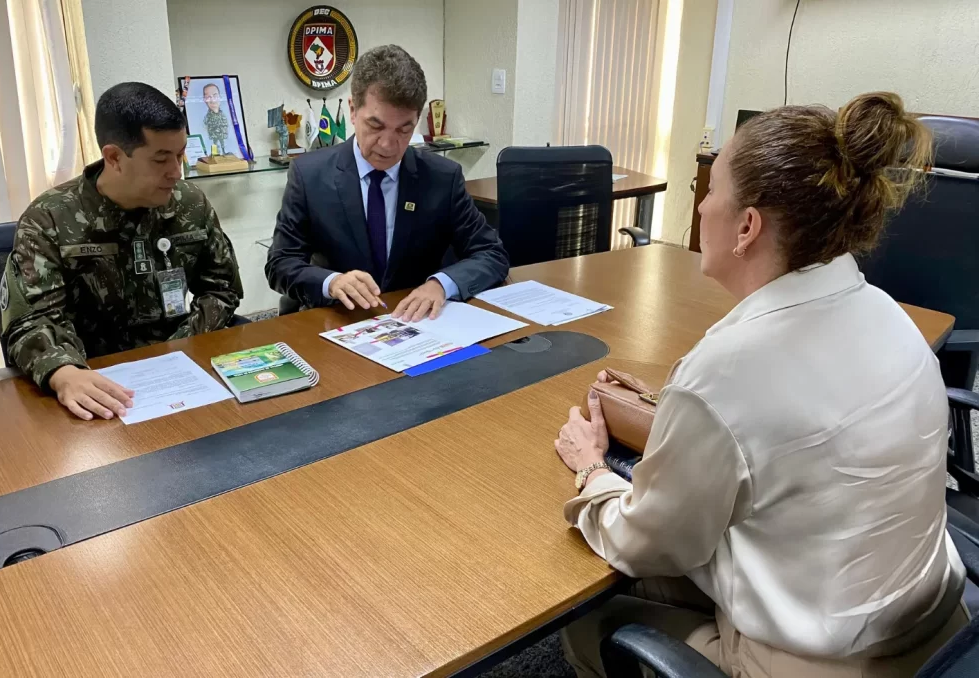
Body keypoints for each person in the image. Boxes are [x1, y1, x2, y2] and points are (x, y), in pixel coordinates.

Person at [554, 92, 967, 677]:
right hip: (933, 633)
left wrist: (592, 470)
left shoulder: (725, 371)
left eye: (712, 189)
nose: (701, 205)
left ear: (747, 227)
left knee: (584, 615)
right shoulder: (888, 314)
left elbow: (642, 542)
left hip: (824, 662)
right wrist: (673, 417)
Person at [2, 82, 243, 422]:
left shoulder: (189, 204)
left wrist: (183, 346)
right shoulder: (50, 219)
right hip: (94, 383)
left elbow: (222, 288)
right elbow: (31, 321)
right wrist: (64, 372)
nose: (176, 172)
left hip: (181, 376)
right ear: (114, 157)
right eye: (161, 159)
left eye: (180, 154)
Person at [265, 44, 509, 321]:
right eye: (376, 126)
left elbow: (491, 253)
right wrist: (331, 283)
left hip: (415, 322)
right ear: (353, 110)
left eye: (404, 129)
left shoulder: (442, 177)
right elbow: (280, 264)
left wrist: (441, 284)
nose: (388, 145)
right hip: (335, 320)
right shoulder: (309, 175)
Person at [202, 83, 230, 155]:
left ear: (220, 97)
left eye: (215, 95)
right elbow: (206, 126)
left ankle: (223, 151)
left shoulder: (225, 115)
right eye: (208, 97)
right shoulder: (207, 117)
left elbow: (225, 125)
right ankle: (215, 153)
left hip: (221, 133)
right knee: (214, 143)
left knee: (222, 142)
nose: (212, 100)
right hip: (214, 134)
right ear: (204, 100)